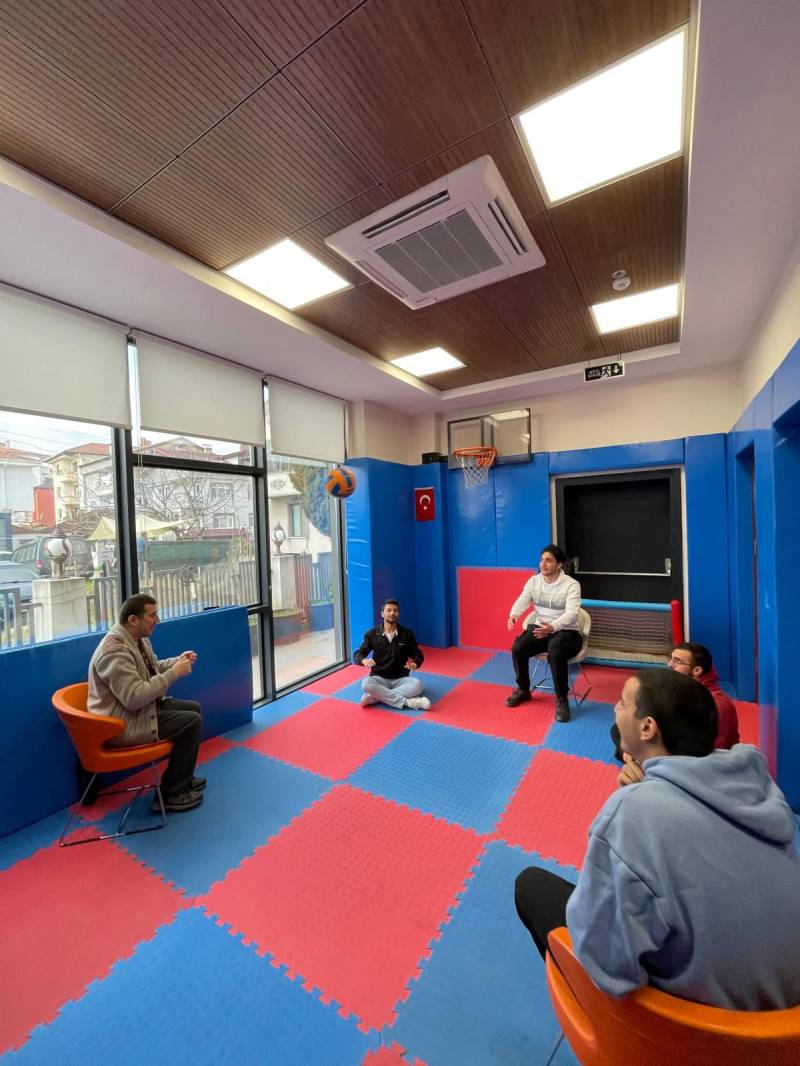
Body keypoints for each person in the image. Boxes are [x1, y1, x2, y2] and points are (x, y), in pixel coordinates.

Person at [515, 670, 800, 1011]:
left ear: (648, 728)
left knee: (531, 886)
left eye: (622, 703)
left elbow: (608, 967)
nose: (615, 709)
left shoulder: (631, 813)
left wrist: (639, 801)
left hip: (704, 1028)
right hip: (785, 1019)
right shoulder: (756, 788)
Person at [87, 593, 206, 812]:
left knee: (194, 709)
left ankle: (182, 777)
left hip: (136, 711)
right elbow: (134, 697)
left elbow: (152, 668)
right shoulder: (114, 651)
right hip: (121, 723)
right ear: (133, 620)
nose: (157, 620)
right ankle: (172, 794)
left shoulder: (138, 639)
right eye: (152, 615)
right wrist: (174, 673)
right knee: (191, 722)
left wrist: (177, 662)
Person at [610, 641, 740, 760]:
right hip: (680, 747)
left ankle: (634, 759)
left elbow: (711, 752)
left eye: (677, 661)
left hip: (701, 762)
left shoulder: (717, 705)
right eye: (671, 659)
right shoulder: (684, 689)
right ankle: (630, 757)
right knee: (620, 729)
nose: (670, 665)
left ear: (697, 670)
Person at [505, 544, 582, 722]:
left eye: (549, 560)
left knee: (555, 652)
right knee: (518, 647)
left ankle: (561, 699)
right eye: (541, 560)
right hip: (541, 629)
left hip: (566, 631)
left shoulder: (571, 585)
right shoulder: (534, 581)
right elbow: (523, 599)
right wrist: (514, 614)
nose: (543, 564)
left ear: (559, 564)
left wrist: (553, 627)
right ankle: (523, 690)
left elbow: (572, 614)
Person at [354, 598, 430, 710]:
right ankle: (410, 703)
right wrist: (363, 660)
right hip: (379, 678)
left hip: (401, 678)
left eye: (395, 610)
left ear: (398, 613)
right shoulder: (371, 634)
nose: (392, 613)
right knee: (366, 684)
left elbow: (418, 654)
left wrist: (415, 664)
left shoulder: (407, 634)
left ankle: (375, 697)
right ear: (382, 614)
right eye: (389, 610)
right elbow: (358, 654)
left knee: (418, 685)